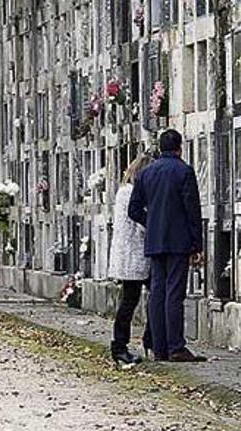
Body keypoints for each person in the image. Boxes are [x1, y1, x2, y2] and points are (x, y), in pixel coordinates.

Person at [128, 129, 207, 362]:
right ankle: (176, 347)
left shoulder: (145, 173)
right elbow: (192, 209)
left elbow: (133, 210)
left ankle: (159, 348)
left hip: (155, 241)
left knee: (157, 293)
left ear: (160, 149)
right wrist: (196, 244)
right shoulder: (184, 171)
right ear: (179, 148)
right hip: (179, 241)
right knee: (174, 293)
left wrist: (151, 222)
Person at [109, 154, 155, 364]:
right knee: (135, 301)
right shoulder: (131, 194)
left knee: (136, 299)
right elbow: (140, 224)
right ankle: (121, 346)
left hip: (129, 255)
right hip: (134, 256)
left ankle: (141, 342)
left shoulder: (123, 191)